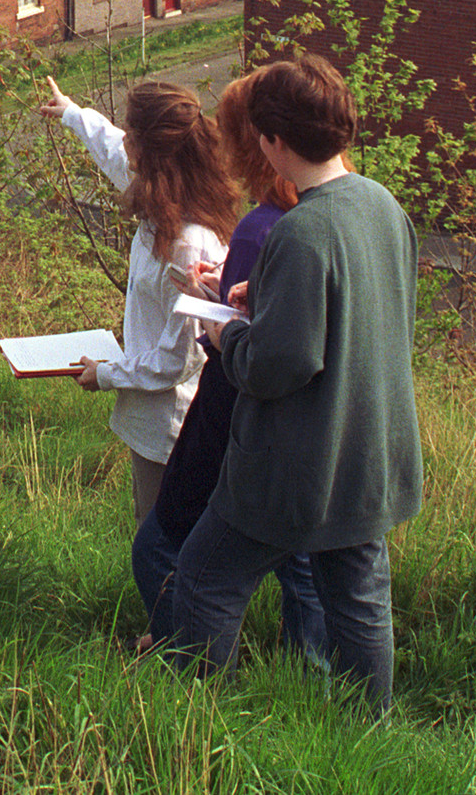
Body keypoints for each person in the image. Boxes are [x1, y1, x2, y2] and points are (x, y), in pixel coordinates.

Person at [170, 56, 421, 709]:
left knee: (203, 582)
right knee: (358, 597)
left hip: (294, 469)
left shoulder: (302, 231)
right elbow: (361, 319)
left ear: (274, 141)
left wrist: (231, 333)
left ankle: (192, 727)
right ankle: (373, 737)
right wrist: (272, 300)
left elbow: (276, 367)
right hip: (368, 452)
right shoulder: (381, 205)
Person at [131, 70, 327, 660]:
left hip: (230, 419)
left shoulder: (258, 230)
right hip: (310, 429)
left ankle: (193, 660)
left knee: (170, 548)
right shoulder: (323, 217)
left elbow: (237, 351)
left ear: (264, 143)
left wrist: (217, 318)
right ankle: (311, 676)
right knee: (305, 564)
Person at [40, 76, 239, 523]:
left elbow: (179, 358)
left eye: (133, 134)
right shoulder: (164, 197)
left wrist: (106, 374)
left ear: (153, 154)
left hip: (173, 429)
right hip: (150, 421)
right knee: (154, 542)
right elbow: (114, 150)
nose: (124, 139)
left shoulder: (189, 244)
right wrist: (72, 113)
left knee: (163, 552)